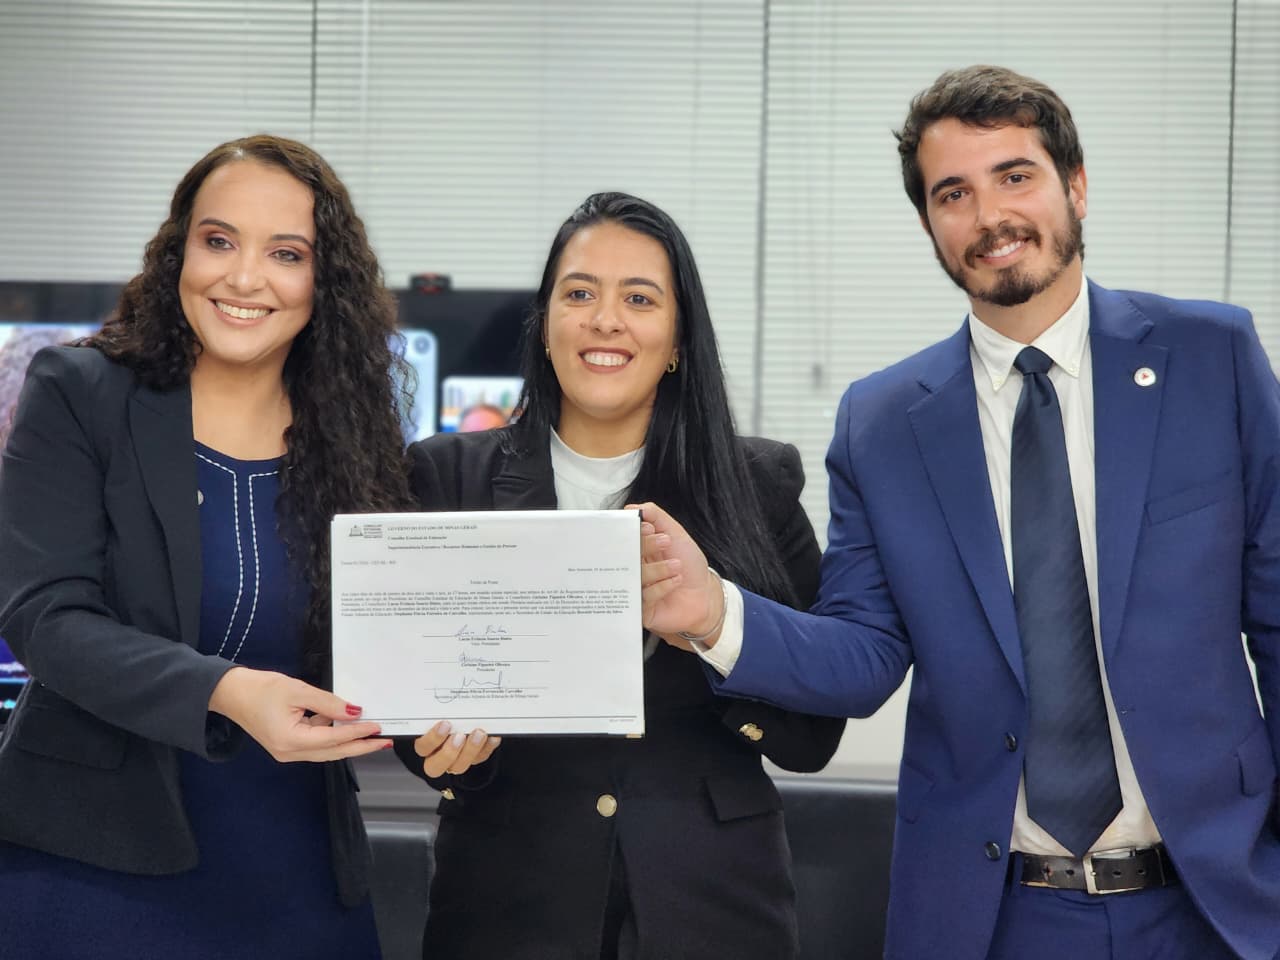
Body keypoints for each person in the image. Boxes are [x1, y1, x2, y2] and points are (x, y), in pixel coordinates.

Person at [640, 65, 1280, 960]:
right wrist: (713, 615)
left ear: (1077, 186)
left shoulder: (1211, 358)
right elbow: (864, 654)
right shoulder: (882, 422)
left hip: (1216, 905)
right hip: (997, 918)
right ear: (930, 224)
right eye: (954, 193)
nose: (989, 217)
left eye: (1015, 176)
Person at [395, 191, 846, 959]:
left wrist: (711, 630)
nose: (606, 320)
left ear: (675, 339)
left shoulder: (755, 482)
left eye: (639, 298)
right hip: (508, 906)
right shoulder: (445, 477)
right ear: (544, 328)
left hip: (711, 907)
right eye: (579, 294)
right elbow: (412, 699)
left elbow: (813, 733)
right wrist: (432, 747)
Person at [0, 135, 414, 958]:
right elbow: (44, 615)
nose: (243, 277)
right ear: (178, 250)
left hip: (299, 869)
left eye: (285, 253)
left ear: (321, 282)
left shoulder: (356, 437)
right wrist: (227, 691)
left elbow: (383, 640)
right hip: (92, 868)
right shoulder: (80, 391)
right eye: (217, 240)